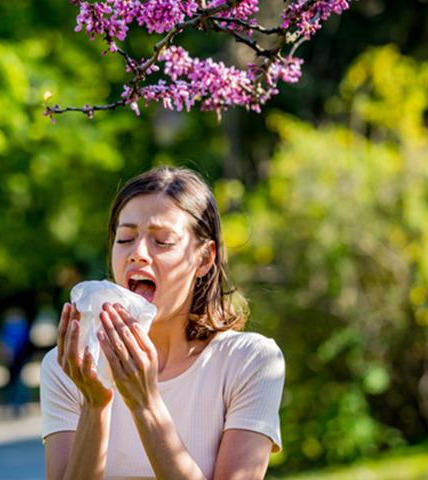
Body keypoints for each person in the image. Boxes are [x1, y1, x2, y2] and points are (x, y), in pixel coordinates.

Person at [40, 166, 285, 479]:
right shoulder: (70, 368)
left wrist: (145, 403)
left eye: (163, 241)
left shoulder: (250, 361)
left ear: (205, 259)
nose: (138, 253)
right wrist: (95, 404)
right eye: (125, 238)